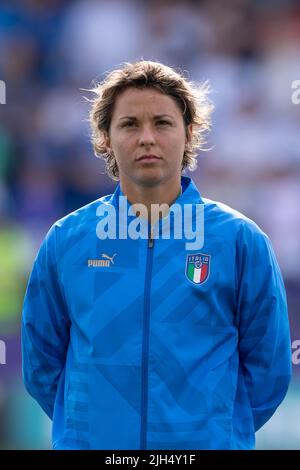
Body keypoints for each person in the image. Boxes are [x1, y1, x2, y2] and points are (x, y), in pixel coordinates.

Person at [21, 60, 292, 450]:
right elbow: (41, 363)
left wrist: (215, 431)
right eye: (130, 124)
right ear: (106, 137)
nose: (146, 137)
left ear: (188, 134)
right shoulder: (67, 240)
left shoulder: (239, 240)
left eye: (162, 123)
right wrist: (92, 429)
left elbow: (268, 368)